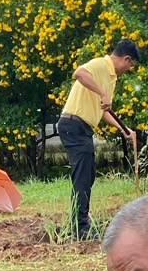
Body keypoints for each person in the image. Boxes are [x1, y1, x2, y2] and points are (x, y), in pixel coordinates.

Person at [57, 39, 141, 238]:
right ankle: (80, 227)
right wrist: (103, 92)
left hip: (83, 128)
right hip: (73, 124)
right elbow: (79, 73)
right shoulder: (101, 64)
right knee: (83, 176)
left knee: (88, 175)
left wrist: (124, 129)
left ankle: (80, 221)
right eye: (131, 65)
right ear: (126, 59)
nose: (129, 69)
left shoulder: (112, 78)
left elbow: (104, 111)